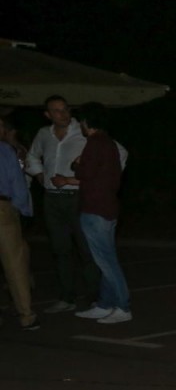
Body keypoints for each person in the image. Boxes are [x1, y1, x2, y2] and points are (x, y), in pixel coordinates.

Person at [25, 96, 100, 312]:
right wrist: (40, 175)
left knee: (86, 249)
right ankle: (67, 297)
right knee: (60, 250)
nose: (63, 114)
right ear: (47, 115)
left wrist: (87, 180)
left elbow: (116, 154)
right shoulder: (43, 134)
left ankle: (95, 297)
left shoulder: (83, 131)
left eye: (65, 109)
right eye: (57, 111)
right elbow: (31, 157)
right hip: (52, 198)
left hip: (77, 196)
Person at [64, 104, 131, 323]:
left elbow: (86, 172)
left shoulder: (94, 143)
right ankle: (105, 304)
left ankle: (123, 306)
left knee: (106, 262)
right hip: (108, 206)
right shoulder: (110, 143)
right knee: (106, 259)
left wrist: (76, 164)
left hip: (95, 209)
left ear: (86, 122)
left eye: (81, 122)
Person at [0, 135, 37, 331]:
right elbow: (17, 181)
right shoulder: (4, 150)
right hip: (3, 208)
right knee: (15, 262)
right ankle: (26, 314)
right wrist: (21, 209)